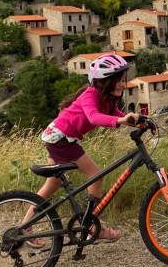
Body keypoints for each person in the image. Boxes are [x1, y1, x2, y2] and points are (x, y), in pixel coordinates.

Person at [24, 53, 139, 245]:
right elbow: (94, 117)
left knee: (53, 184)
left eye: (123, 79)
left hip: (59, 137)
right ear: (102, 82)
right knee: (96, 175)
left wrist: (134, 121)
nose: (121, 84)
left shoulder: (108, 98)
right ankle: (92, 225)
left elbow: (114, 114)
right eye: (117, 80)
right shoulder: (90, 95)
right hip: (61, 139)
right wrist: (120, 121)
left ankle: (26, 225)